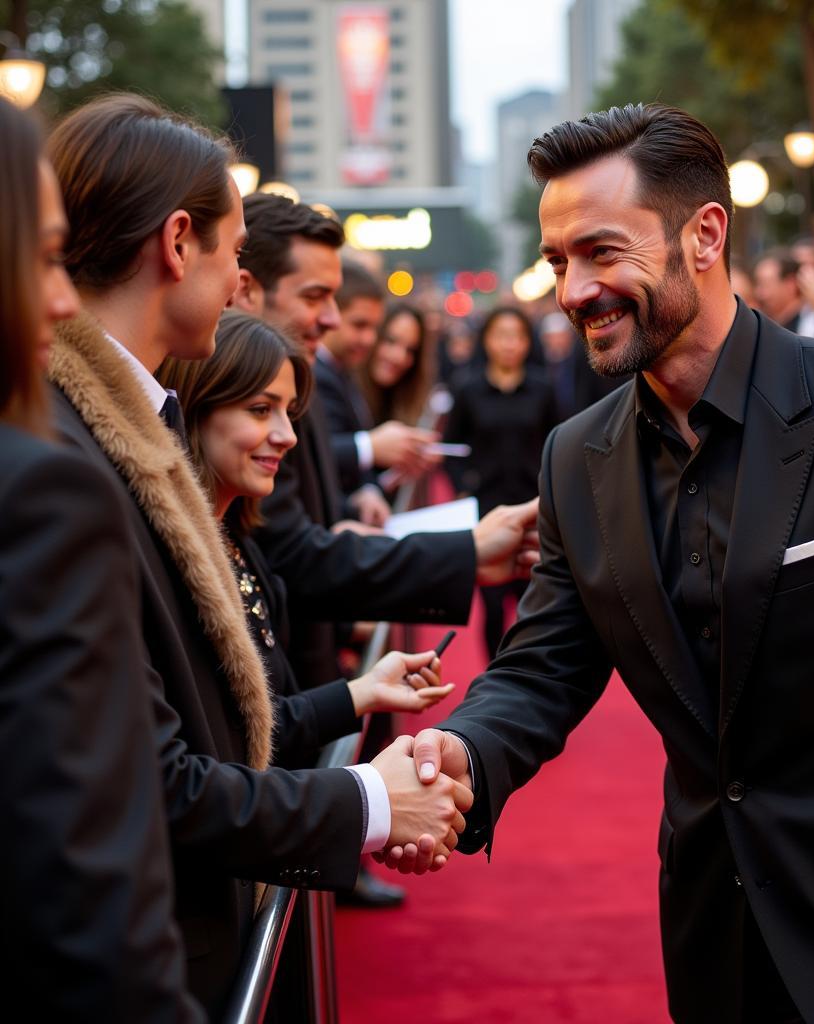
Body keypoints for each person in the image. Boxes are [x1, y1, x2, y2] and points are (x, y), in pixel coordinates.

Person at [390, 104, 814, 1024]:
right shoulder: (577, 455)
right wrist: (468, 752)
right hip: (711, 939)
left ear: (705, 235)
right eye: (557, 260)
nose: (572, 291)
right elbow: (545, 662)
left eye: (602, 253)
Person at [44, 93, 472, 1016]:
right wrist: (367, 796)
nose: (243, 283)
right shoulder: (67, 457)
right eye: (238, 254)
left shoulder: (119, 431)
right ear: (177, 243)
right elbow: (150, 783)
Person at [0, 96, 202, 1021]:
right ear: (178, 240)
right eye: (39, 258)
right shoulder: (44, 489)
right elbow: (94, 903)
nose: (57, 295)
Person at [236, 195, 540, 693]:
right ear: (246, 291)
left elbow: (302, 534)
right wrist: (465, 552)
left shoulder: (295, 377)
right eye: (315, 297)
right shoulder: (247, 391)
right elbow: (294, 556)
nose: (332, 320)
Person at [158, 309, 456, 763]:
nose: (286, 436)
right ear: (197, 409)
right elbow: (209, 768)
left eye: (289, 413)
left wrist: (365, 691)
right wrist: (368, 799)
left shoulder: (240, 542)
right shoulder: (167, 561)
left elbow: (265, 724)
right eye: (261, 409)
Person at [444, 307, 560, 657]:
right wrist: (462, 484)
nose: (510, 344)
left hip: (533, 505)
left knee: (534, 601)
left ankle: (530, 670)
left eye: (518, 336)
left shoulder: (543, 388)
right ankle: (493, 673)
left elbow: (560, 440)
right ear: (487, 340)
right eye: (501, 335)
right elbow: (453, 445)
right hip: (486, 505)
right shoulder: (468, 388)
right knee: (492, 605)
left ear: (528, 342)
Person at [313, 261, 439, 501]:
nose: (369, 339)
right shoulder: (324, 374)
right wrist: (371, 447)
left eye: (410, 349)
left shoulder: (342, 375)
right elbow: (307, 457)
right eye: (390, 340)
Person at [360, 302, 436, 429]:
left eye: (410, 350)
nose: (399, 357)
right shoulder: (344, 392)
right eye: (391, 341)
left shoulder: (403, 400)